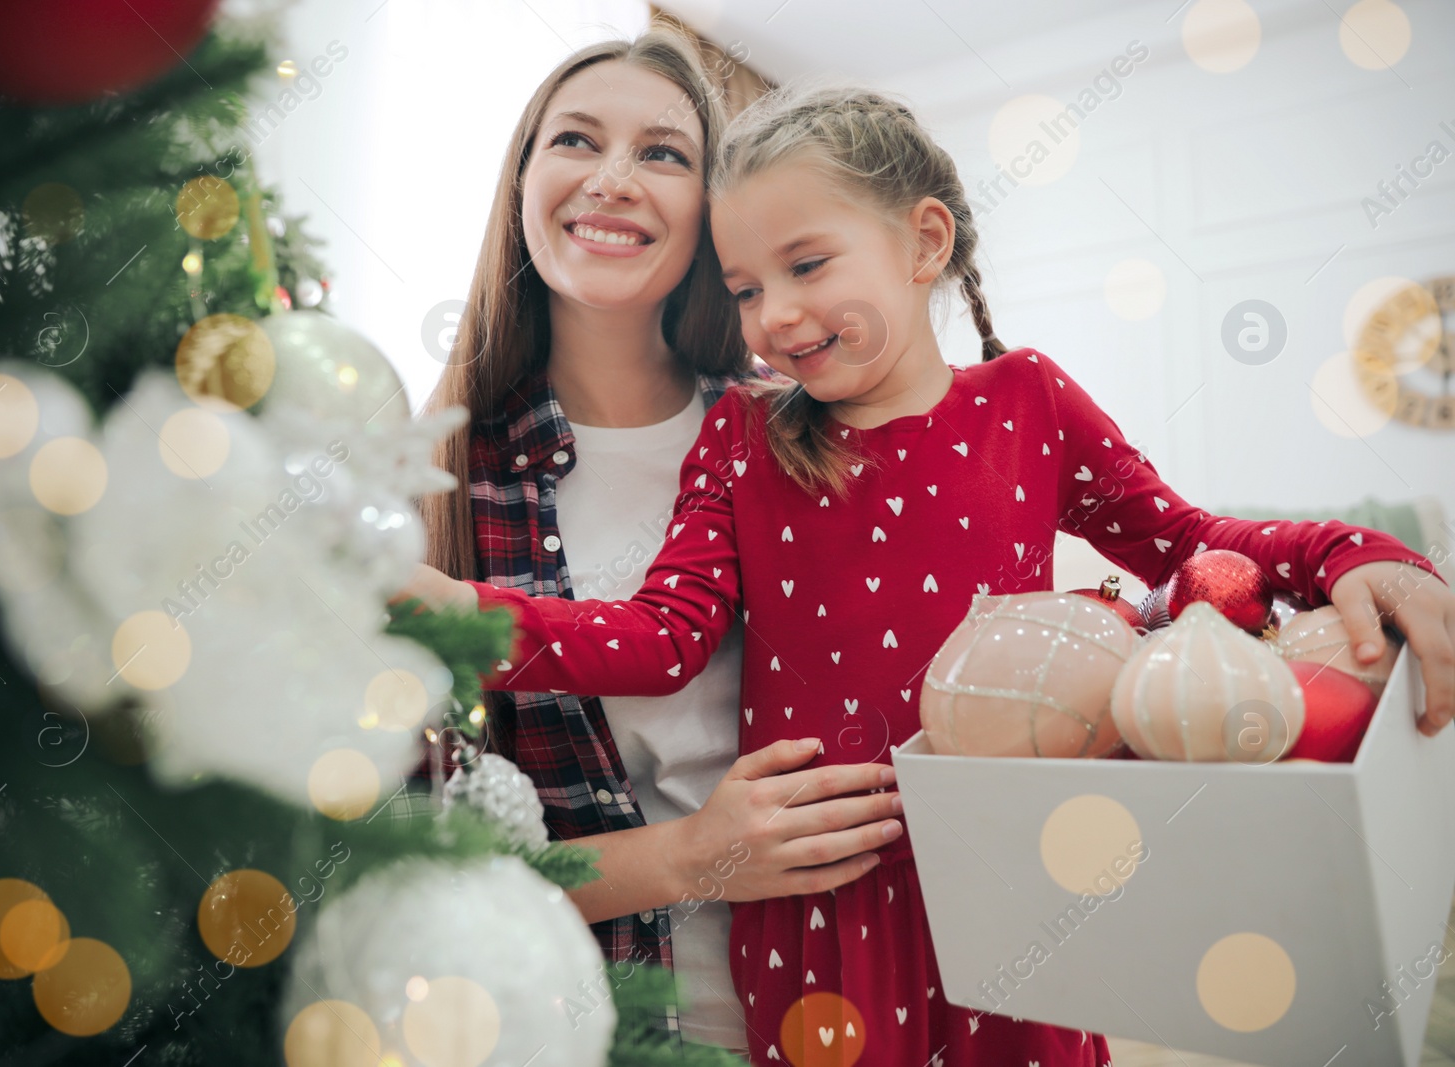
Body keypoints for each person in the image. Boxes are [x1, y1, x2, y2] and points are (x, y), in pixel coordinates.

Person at [402, 82, 1455, 1065]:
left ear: (923, 240)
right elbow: (661, 636)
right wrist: (461, 615)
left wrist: (1356, 552)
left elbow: (1187, 543)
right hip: (824, 897)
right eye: (745, 287)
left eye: (807, 266)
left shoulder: (1028, 402)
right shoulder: (739, 436)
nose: (772, 314)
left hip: (1023, 878)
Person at [412, 29, 903, 1055]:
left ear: (712, 212)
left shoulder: (803, 435)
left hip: (852, 997)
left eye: (664, 153)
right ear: (521, 181)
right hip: (579, 1024)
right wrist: (688, 855)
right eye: (577, 140)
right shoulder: (430, 477)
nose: (614, 180)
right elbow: (409, 863)